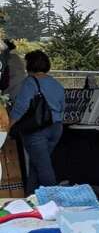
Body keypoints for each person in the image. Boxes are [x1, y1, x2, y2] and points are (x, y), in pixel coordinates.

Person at [10, 50, 65, 189]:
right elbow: (62, 106)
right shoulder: (55, 83)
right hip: (56, 128)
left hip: (36, 130)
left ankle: (53, 200)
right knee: (37, 164)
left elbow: (20, 107)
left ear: (30, 64)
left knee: (43, 168)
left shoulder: (30, 82)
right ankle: (32, 197)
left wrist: (8, 125)